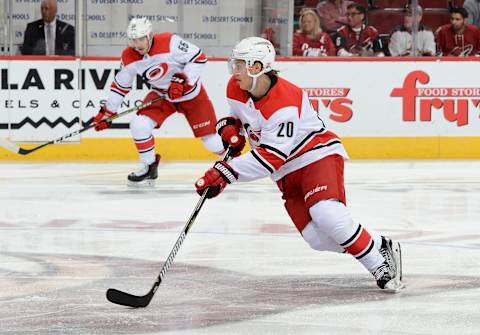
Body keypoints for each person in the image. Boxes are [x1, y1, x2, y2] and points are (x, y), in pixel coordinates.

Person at [194, 36, 404, 292]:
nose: (233, 70)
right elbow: (238, 115)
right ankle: (379, 245)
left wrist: (226, 173)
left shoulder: (285, 103)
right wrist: (230, 128)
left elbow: (271, 157)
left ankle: (377, 264)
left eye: (239, 64)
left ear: (257, 67)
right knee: (316, 239)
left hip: (316, 156)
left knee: (326, 214)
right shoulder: (235, 87)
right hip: (285, 173)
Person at [94, 17, 224, 185]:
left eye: (141, 39)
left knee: (212, 142)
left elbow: (199, 58)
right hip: (162, 95)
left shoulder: (170, 42)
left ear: (149, 36)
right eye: (133, 40)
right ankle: (149, 166)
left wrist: (183, 80)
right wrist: (108, 112)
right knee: (139, 124)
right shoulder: (128, 56)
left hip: (191, 94)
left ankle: (232, 163)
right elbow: (120, 86)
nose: (137, 44)